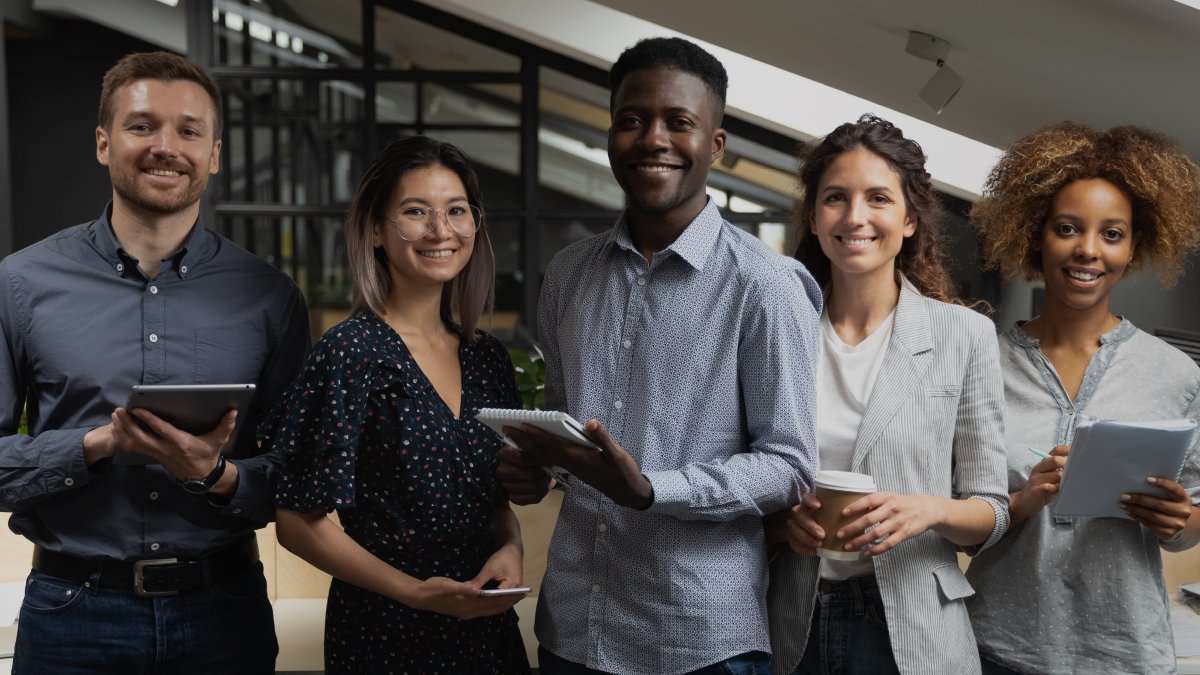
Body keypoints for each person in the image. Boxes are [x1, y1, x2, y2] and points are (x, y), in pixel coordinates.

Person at [498, 36, 822, 675]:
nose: (653, 139)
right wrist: (542, 471)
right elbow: (568, 435)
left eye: (680, 122)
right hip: (573, 629)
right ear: (611, 133)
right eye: (632, 120)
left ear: (716, 145)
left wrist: (651, 490)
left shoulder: (765, 283)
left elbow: (788, 463)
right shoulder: (567, 275)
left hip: (701, 640)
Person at [0, 52, 310, 674]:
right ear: (103, 143)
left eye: (189, 130)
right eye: (142, 126)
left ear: (215, 154)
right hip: (71, 617)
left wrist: (214, 475)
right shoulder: (19, 284)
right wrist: (96, 444)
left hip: (226, 614)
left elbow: (300, 476)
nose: (165, 146)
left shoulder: (270, 297)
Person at [262, 135, 531, 674]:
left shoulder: (488, 359)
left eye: (456, 211)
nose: (441, 230)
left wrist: (511, 550)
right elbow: (297, 522)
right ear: (377, 230)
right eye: (416, 212)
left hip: (484, 628)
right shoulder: (349, 352)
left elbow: (490, 502)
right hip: (384, 631)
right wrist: (415, 593)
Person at [763, 114, 1009, 674]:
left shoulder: (964, 336)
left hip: (913, 627)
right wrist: (782, 524)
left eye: (877, 198)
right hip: (791, 617)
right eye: (835, 198)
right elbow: (741, 479)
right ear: (814, 217)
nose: (855, 217)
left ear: (911, 219)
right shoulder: (777, 330)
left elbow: (992, 512)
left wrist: (926, 510)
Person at [964, 123, 1200, 675]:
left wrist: (1178, 521)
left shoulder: (1176, 375)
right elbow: (956, 521)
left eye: (1111, 234)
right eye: (1068, 228)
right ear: (1036, 235)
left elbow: (1190, 523)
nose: (1088, 250)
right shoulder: (980, 364)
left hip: (1125, 653)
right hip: (997, 648)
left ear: (1134, 245)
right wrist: (1019, 503)